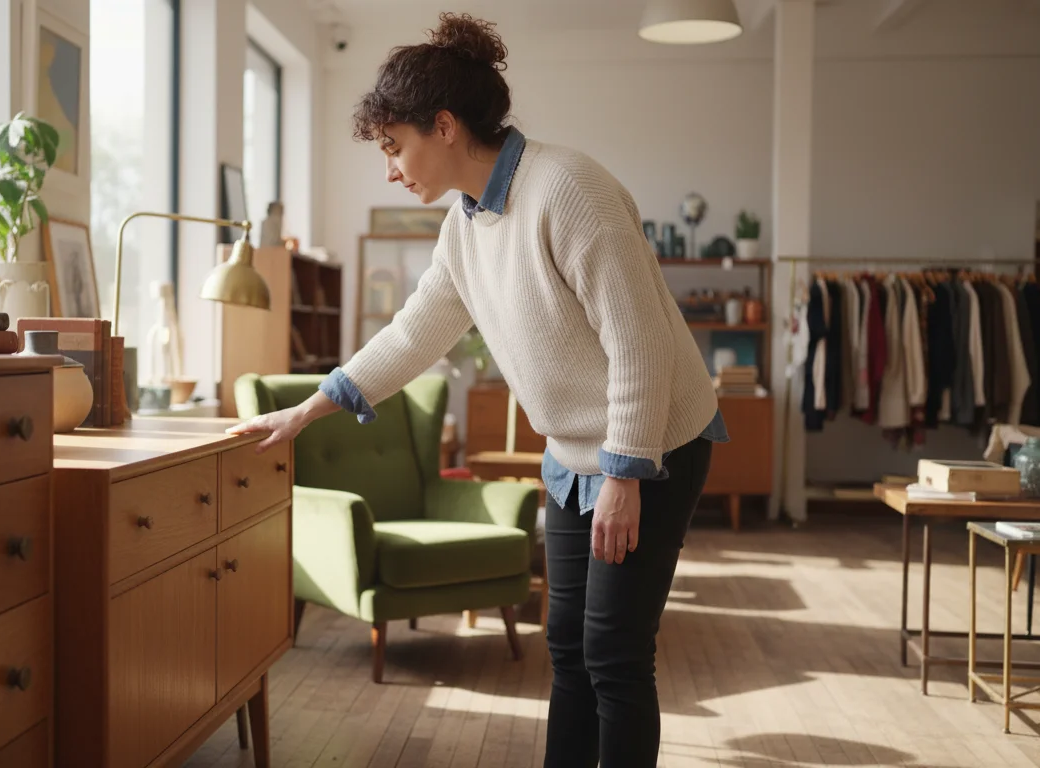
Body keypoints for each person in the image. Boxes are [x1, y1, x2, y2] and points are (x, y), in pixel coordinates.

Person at [228, 12, 728, 768]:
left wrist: (627, 474)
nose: (391, 168)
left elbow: (641, 344)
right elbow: (410, 335)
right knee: (566, 648)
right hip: (571, 455)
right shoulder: (464, 228)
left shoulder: (568, 190)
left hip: (654, 440)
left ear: (447, 124)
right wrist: (306, 411)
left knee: (614, 653)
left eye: (395, 147)